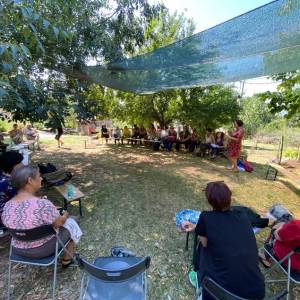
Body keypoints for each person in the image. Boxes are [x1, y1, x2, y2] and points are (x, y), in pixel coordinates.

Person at [183, 182, 265, 300]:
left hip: (220, 292)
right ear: (229, 198)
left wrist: (198, 229)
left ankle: (198, 277)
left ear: (209, 201)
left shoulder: (206, 217)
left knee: (202, 247)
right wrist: (196, 227)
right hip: (256, 292)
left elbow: (205, 243)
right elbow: (224, 231)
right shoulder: (242, 216)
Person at [2, 166, 81, 266]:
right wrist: (65, 215)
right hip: (41, 250)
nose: (41, 178)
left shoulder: (7, 206)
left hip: (17, 249)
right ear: (30, 180)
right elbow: (59, 223)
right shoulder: (42, 204)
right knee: (73, 221)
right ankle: (67, 259)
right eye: (39, 176)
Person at [0, 151, 24, 227]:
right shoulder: (11, 183)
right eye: (20, 163)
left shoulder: (3, 175)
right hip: (9, 221)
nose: (22, 165)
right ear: (12, 166)